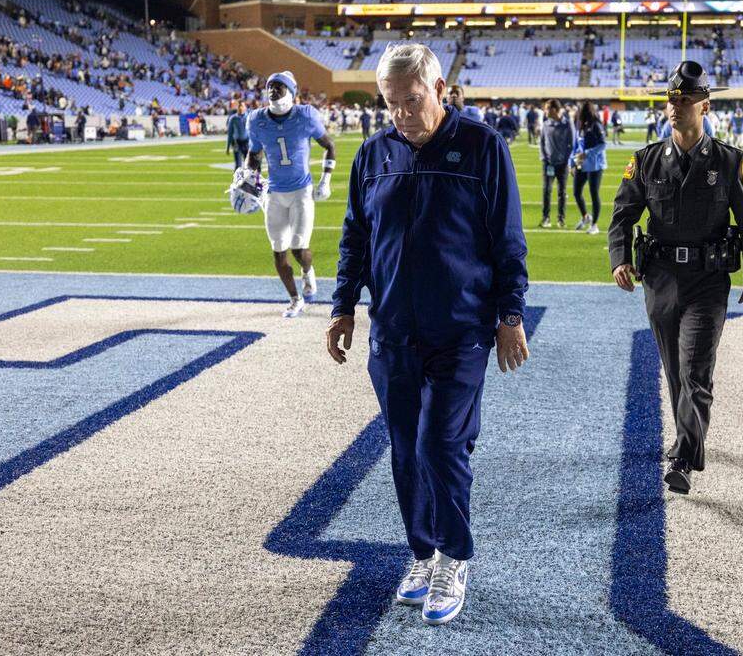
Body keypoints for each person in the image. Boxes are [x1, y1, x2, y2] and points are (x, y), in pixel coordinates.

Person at [326, 43, 529, 627]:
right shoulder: (374, 154)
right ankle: (422, 552)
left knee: (441, 445)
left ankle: (454, 557)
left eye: (411, 102)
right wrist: (343, 307)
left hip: (460, 329)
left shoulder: (483, 147)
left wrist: (509, 317)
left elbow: (507, 243)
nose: (401, 115)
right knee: (405, 450)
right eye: (390, 105)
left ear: (440, 89)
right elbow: (355, 238)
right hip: (392, 333)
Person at [608, 60, 743, 495]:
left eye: (685, 100)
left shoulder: (731, 162)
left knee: (695, 368)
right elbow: (622, 215)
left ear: (705, 106)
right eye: (671, 100)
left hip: (708, 280)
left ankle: (683, 456)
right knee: (675, 371)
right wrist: (620, 258)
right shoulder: (646, 160)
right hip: (659, 280)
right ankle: (690, 437)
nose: (675, 107)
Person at [245, 71, 337, 316]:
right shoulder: (256, 119)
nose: (273, 91)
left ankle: (307, 271)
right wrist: (248, 176)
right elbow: (254, 154)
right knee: (278, 252)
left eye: (279, 87)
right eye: (270, 87)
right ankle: (295, 299)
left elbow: (329, 145)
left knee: (298, 248)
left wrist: (326, 179)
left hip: (301, 191)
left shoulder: (305, 115)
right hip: (273, 193)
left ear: (292, 92)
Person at [539, 98, 576, 228]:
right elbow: (542, 143)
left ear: (554, 109)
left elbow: (572, 143)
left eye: (547, 108)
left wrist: (566, 160)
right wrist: (545, 158)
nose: (545, 110)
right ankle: (545, 218)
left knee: (562, 192)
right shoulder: (545, 124)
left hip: (562, 164)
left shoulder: (567, 124)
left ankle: (561, 219)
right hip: (548, 164)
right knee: (546, 191)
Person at [572, 101, 608, 235]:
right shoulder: (580, 125)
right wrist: (573, 163)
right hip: (582, 164)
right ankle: (586, 216)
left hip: (595, 165)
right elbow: (577, 145)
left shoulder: (596, 125)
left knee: (594, 194)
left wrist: (587, 153)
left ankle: (595, 225)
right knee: (576, 192)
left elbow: (603, 144)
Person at [225, 102, 248, 169]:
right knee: (238, 165)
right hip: (236, 143)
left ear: (245, 108)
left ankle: (248, 179)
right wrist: (228, 147)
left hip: (246, 143)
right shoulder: (233, 118)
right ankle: (237, 179)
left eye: (242, 106)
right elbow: (230, 133)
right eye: (239, 106)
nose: (241, 108)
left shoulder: (249, 117)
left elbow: (253, 132)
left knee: (249, 165)